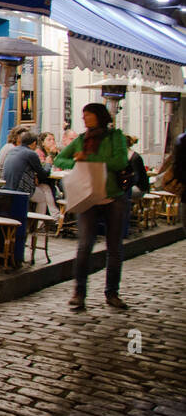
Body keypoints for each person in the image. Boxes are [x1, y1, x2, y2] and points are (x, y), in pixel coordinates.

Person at [54, 102, 130, 311]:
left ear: (100, 116)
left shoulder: (115, 137)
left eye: (89, 114)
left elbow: (120, 162)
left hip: (113, 196)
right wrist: (77, 163)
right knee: (84, 245)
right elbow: (61, 158)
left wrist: (90, 159)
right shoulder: (80, 140)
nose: (85, 118)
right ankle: (79, 292)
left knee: (114, 247)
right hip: (87, 196)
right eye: (84, 114)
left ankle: (112, 292)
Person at [2, 130, 56, 215]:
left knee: (44, 188)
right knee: (43, 197)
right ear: (34, 143)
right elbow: (44, 174)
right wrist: (48, 163)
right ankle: (38, 225)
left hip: (7, 187)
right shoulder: (31, 153)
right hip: (21, 190)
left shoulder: (13, 150)